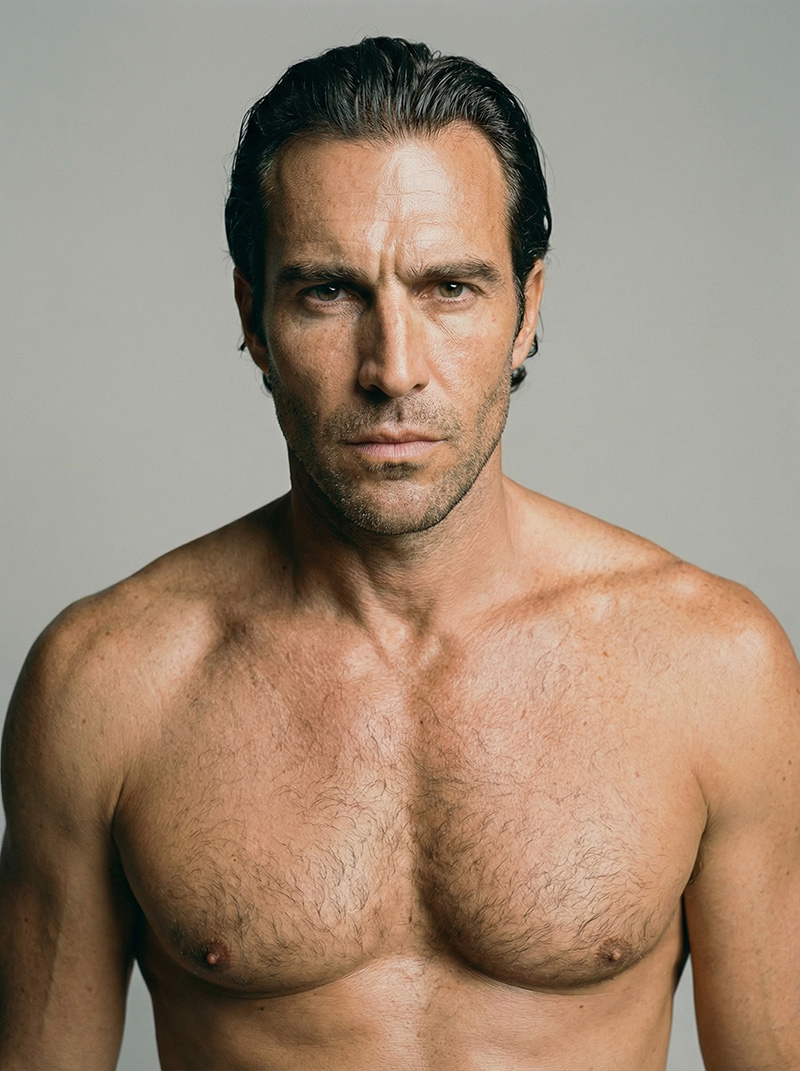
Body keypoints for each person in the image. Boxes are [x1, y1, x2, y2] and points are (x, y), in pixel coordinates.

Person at [0, 35, 798, 1071]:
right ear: (252, 315)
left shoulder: (713, 668)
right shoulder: (107, 685)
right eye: (328, 292)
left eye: (449, 287)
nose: (393, 368)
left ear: (528, 309)